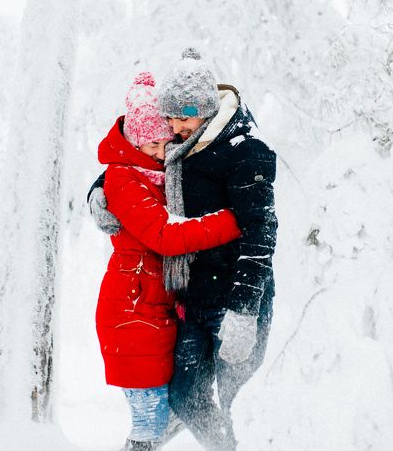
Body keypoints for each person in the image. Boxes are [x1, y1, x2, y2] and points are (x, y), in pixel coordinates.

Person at [90, 49, 278, 450]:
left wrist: (244, 309)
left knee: (238, 402)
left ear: (205, 112)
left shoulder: (244, 151)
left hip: (231, 297)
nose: (172, 130)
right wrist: (99, 190)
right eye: (169, 120)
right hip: (187, 300)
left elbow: (261, 233)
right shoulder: (180, 149)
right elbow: (135, 172)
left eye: (180, 118)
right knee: (182, 400)